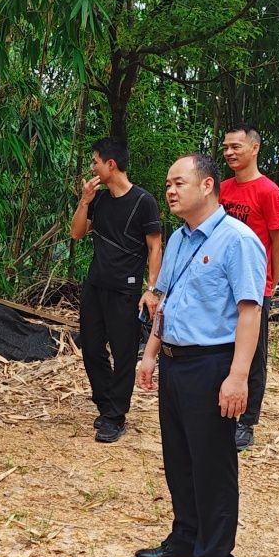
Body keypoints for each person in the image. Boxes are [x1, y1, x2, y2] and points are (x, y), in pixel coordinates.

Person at [134, 153, 266, 557]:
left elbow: (250, 312)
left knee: (212, 466)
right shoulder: (177, 239)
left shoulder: (238, 240)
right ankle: (186, 538)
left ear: (207, 185)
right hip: (174, 363)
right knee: (180, 458)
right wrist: (150, 355)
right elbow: (164, 300)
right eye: (168, 184)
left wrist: (238, 377)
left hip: (212, 365)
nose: (170, 191)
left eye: (179, 183)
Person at [69, 138, 163, 444]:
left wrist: (152, 289)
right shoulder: (98, 199)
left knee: (124, 353)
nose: (92, 167)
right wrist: (84, 201)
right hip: (95, 285)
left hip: (126, 289)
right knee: (91, 347)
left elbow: (155, 246)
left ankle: (115, 415)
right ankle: (106, 403)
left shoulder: (143, 201)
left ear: (111, 164)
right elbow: (76, 233)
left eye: (95, 161)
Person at [219, 124, 279, 450]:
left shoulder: (269, 192)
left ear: (255, 148)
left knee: (253, 355)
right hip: (222, 286)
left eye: (236, 146)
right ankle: (221, 410)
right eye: (225, 147)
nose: (229, 152)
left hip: (253, 288)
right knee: (221, 350)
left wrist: (269, 283)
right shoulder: (222, 189)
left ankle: (246, 422)